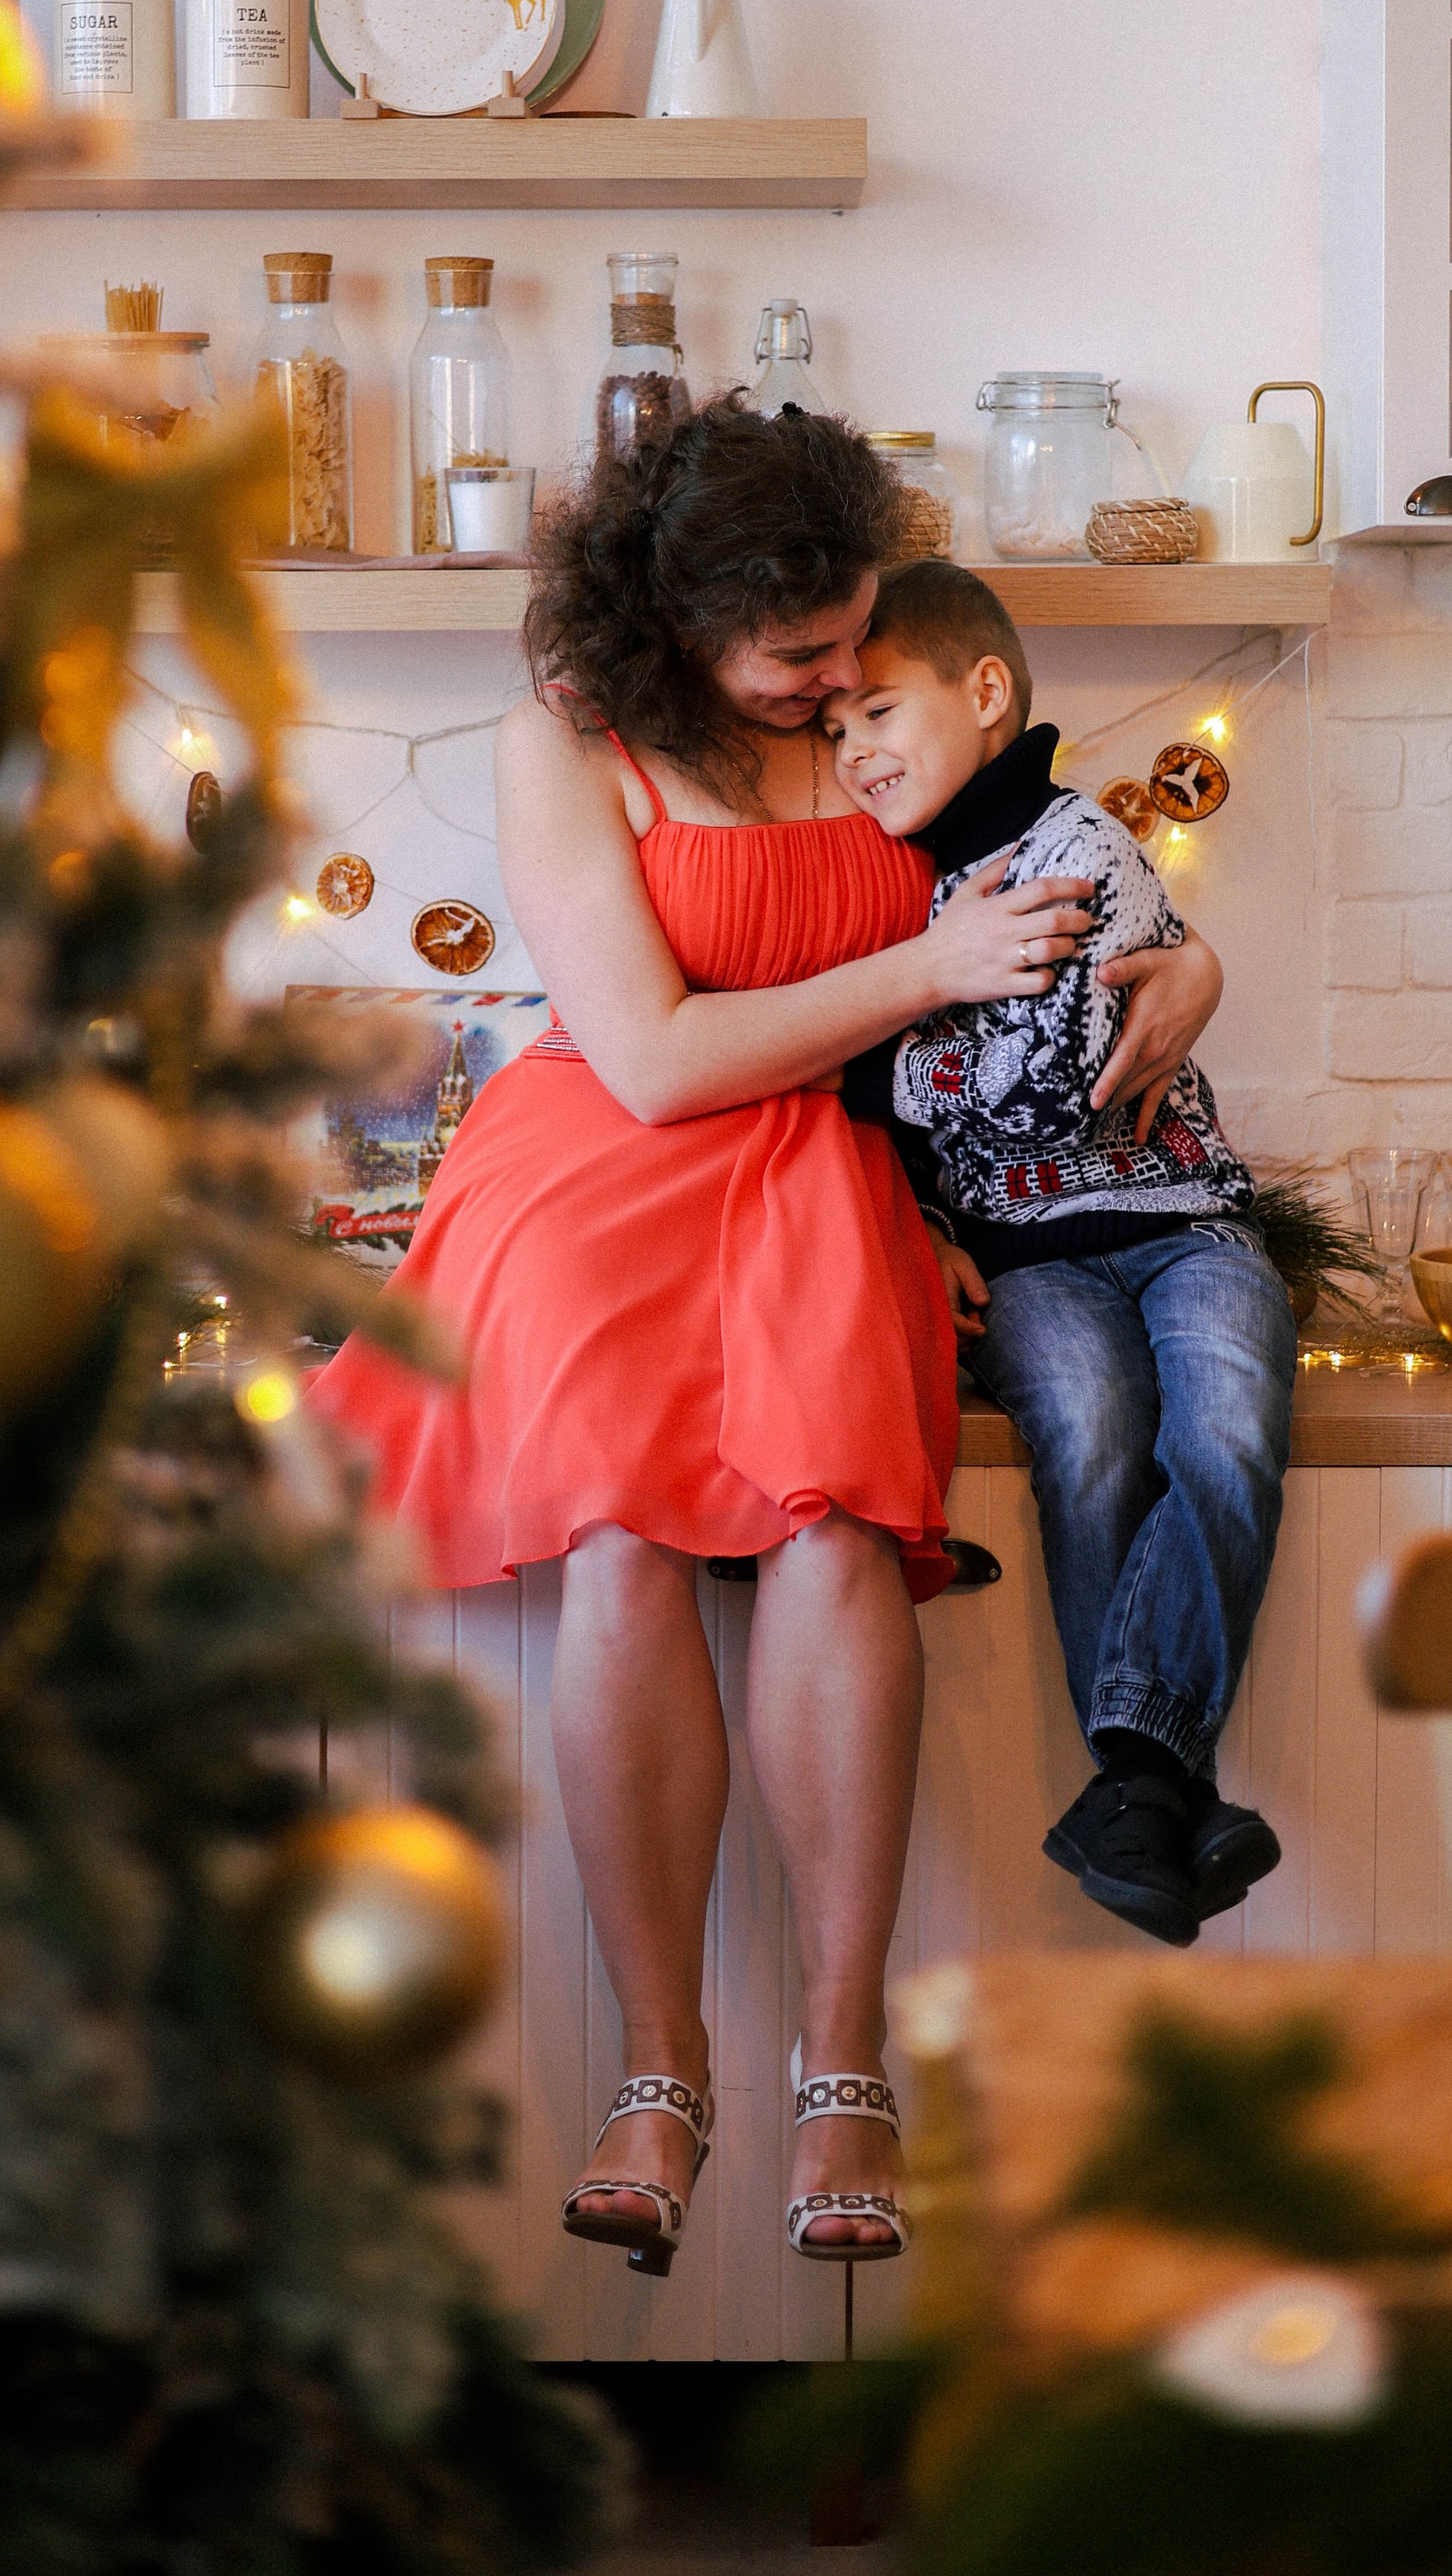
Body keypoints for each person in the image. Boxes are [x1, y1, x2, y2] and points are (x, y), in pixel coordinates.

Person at [311, 407, 1228, 2278]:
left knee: (829, 1527)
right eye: (795, 656)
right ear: (675, 628)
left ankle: (842, 2057)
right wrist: (922, 970)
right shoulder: (565, 738)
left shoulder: (882, 705)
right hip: (605, 1152)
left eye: (853, 637)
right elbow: (646, 1057)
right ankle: (657, 2069)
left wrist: (1190, 966)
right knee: (623, 1530)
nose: (836, 685)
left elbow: (1073, 874)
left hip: (824, 1153)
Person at [828, 556, 1295, 1951]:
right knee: (1088, 1429)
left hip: (1177, 1219)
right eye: (833, 728)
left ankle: (1134, 1780)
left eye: (879, 713)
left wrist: (863, 1067)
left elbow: (1063, 1075)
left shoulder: (1082, 848)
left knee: (1227, 1407)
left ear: (984, 694)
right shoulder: (880, 880)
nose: (854, 752)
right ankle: (1156, 1795)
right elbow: (954, 1067)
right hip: (1021, 1257)